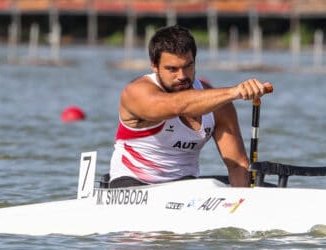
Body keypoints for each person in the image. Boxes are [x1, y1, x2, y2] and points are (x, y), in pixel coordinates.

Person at [109, 25, 272, 188]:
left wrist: (243, 203)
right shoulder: (136, 93)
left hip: (185, 188)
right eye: (172, 69)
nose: (182, 76)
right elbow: (176, 106)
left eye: (188, 66)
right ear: (154, 66)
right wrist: (235, 92)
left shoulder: (218, 104)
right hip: (133, 186)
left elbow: (237, 165)